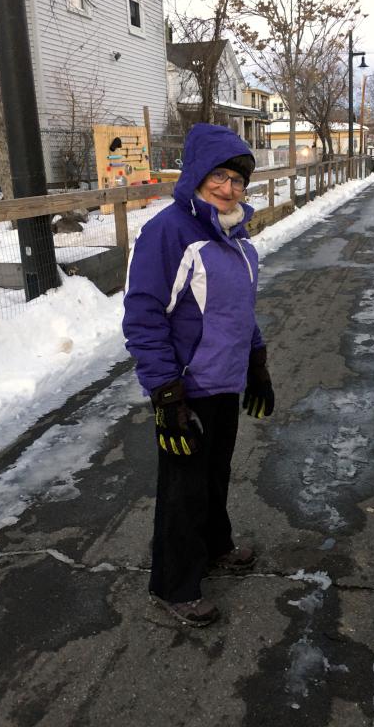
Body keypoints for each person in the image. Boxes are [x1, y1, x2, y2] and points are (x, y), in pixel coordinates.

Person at [122, 123, 275, 627]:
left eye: (237, 179)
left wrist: (256, 364)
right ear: (197, 176)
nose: (230, 188)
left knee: (215, 475)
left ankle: (215, 547)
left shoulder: (235, 238)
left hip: (225, 383)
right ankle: (173, 584)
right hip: (185, 388)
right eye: (220, 176)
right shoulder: (170, 233)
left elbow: (238, 310)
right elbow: (144, 316)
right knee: (183, 488)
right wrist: (167, 395)